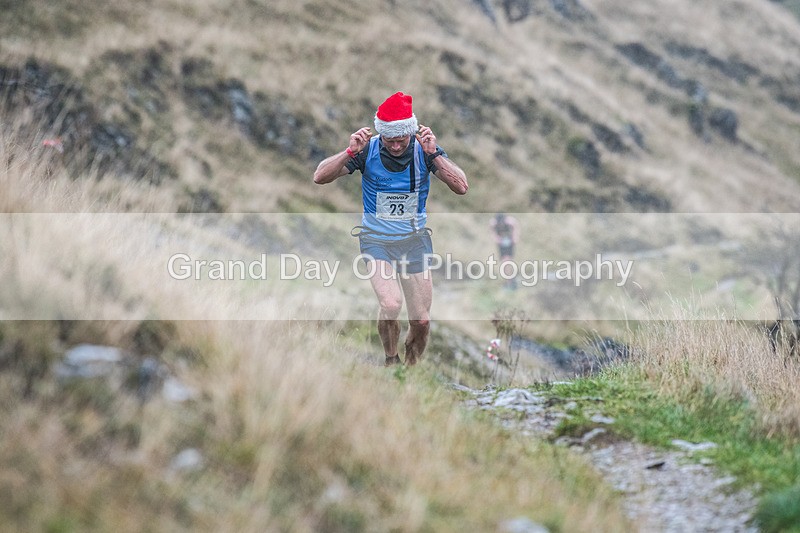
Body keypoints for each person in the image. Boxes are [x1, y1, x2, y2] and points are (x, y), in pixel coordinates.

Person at [313, 91, 468, 366]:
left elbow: (461, 187)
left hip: (414, 241)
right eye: (389, 140)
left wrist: (436, 155)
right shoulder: (367, 151)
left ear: (410, 133)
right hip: (376, 241)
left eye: (401, 140)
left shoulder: (425, 150)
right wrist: (350, 151)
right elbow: (319, 177)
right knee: (391, 304)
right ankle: (391, 361)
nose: (396, 146)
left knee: (421, 320)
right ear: (380, 135)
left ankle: (410, 370)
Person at [490, 213, 519, 289]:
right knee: (504, 262)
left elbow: (516, 228)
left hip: (509, 242)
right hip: (501, 243)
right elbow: (492, 231)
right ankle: (508, 280)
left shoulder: (510, 221)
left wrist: (514, 237)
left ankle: (511, 280)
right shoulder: (493, 223)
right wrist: (496, 238)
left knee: (508, 261)